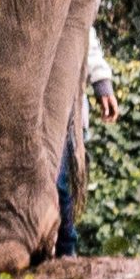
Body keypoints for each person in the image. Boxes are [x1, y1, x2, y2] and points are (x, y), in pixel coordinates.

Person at [54, 27, 118, 257]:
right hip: (35, 113)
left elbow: (83, 33)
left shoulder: (72, 15)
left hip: (67, 114)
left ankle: (66, 251)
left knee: (60, 184)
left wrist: (102, 83)